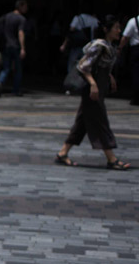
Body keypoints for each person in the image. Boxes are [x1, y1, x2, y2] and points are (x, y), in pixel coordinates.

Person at [55, 16, 130, 171]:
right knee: (100, 121)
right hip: (92, 90)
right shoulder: (99, 45)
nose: (119, 30)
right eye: (116, 27)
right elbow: (83, 66)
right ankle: (111, 159)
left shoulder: (108, 45)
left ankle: (63, 153)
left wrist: (110, 77)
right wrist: (93, 84)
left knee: (82, 123)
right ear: (106, 29)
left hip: (98, 89)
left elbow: (101, 66)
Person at [0, 0, 27, 97]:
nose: (26, 9)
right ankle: (16, 90)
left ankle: (0, 82)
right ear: (21, 7)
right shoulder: (21, 19)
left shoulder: (7, 16)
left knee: (6, 68)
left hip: (6, 45)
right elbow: (20, 33)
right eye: (25, 6)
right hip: (15, 46)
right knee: (17, 69)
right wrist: (23, 48)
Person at [60, 12, 98, 90]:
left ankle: (70, 84)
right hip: (88, 45)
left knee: (72, 64)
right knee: (85, 65)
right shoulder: (94, 20)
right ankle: (81, 84)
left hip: (77, 45)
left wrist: (64, 44)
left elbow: (71, 30)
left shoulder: (77, 18)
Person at [124, 11, 139, 106]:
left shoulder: (133, 21)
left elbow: (125, 37)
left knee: (136, 73)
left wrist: (120, 48)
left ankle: (137, 97)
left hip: (136, 49)